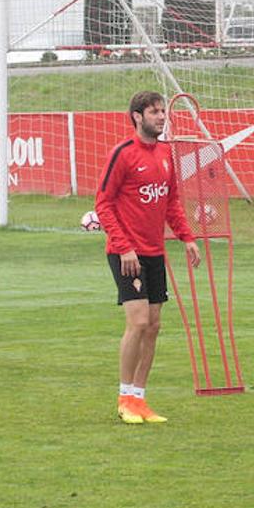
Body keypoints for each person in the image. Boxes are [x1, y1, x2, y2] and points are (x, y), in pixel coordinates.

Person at [95, 90, 200, 425]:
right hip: (127, 253)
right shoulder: (123, 154)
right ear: (137, 116)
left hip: (155, 251)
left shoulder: (167, 154)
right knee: (138, 322)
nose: (161, 117)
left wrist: (187, 238)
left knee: (153, 327)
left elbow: (171, 202)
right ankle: (124, 397)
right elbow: (103, 204)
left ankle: (140, 399)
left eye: (161, 112)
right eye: (154, 112)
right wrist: (123, 245)